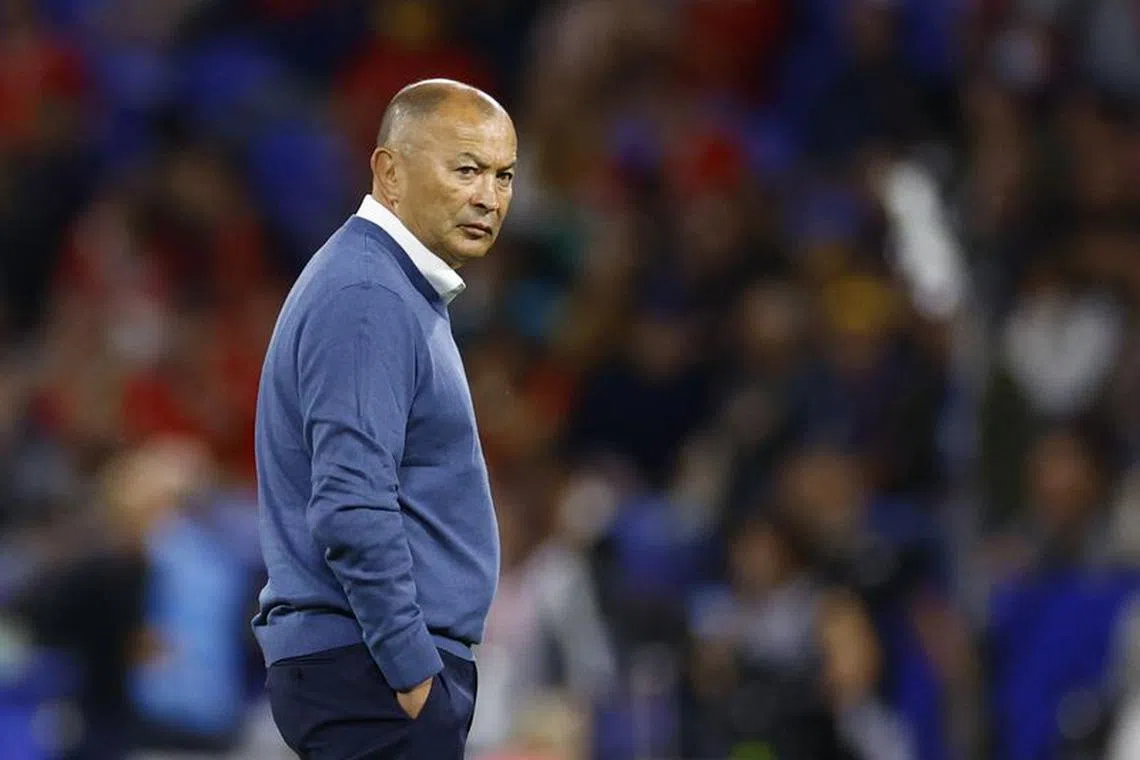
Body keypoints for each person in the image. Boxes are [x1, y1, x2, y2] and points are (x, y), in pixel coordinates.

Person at [251, 78, 516, 759]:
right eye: (466, 169)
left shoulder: (389, 287)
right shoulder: (368, 295)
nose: (488, 197)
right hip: (371, 668)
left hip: (367, 667)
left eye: (503, 176)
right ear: (389, 172)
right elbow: (350, 502)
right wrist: (412, 670)